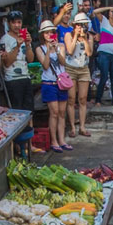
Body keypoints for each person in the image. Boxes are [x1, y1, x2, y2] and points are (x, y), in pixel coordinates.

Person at [34, 20, 70, 153]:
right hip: (49, 83)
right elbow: (45, 65)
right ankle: (53, 141)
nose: (49, 35)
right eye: (47, 33)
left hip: (61, 83)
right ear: (42, 34)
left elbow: (63, 62)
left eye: (52, 32)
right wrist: (49, 51)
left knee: (62, 113)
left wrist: (57, 49)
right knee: (53, 113)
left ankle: (62, 140)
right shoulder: (39, 48)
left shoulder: (61, 45)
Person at [64, 13, 95, 139]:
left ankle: (82, 126)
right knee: (71, 98)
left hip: (83, 69)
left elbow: (89, 53)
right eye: (78, 25)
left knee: (83, 98)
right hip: (71, 68)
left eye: (83, 25)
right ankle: (72, 126)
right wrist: (76, 36)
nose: (81, 27)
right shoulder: (68, 35)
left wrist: (84, 39)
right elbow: (70, 51)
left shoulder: (89, 37)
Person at [0, 10, 35, 111]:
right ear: (9, 23)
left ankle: (30, 127)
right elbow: (7, 63)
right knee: (17, 111)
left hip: (26, 76)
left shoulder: (24, 37)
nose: (17, 25)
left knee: (29, 111)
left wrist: (27, 45)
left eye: (19, 22)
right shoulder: (4, 39)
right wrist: (18, 46)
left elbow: (31, 59)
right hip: (12, 79)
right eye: (14, 22)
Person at [94, 9, 113, 113]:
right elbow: (95, 11)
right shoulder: (104, 21)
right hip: (104, 52)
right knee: (104, 76)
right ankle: (98, 99)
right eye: (112, 12)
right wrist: (109, 7)